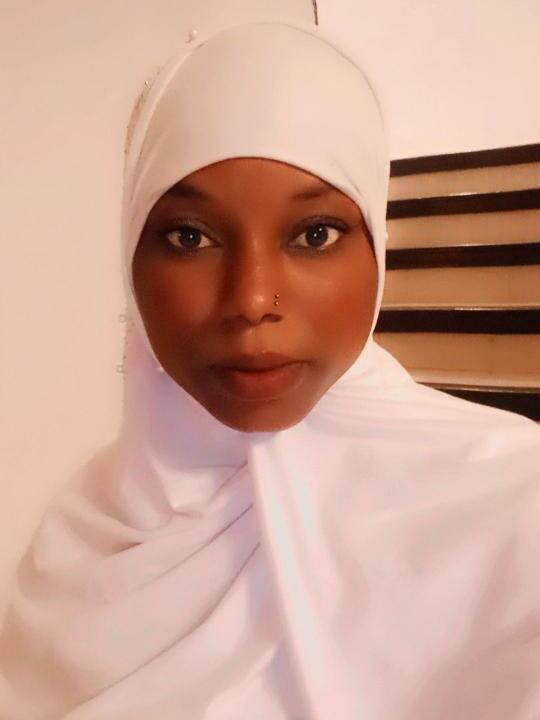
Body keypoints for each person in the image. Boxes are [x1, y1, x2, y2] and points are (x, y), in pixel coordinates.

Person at [0, 18, 539, 720]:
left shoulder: (510, 505)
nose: (253, 299)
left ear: (376, 247)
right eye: (189, 237)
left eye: (315, 234)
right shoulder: (81, 544)